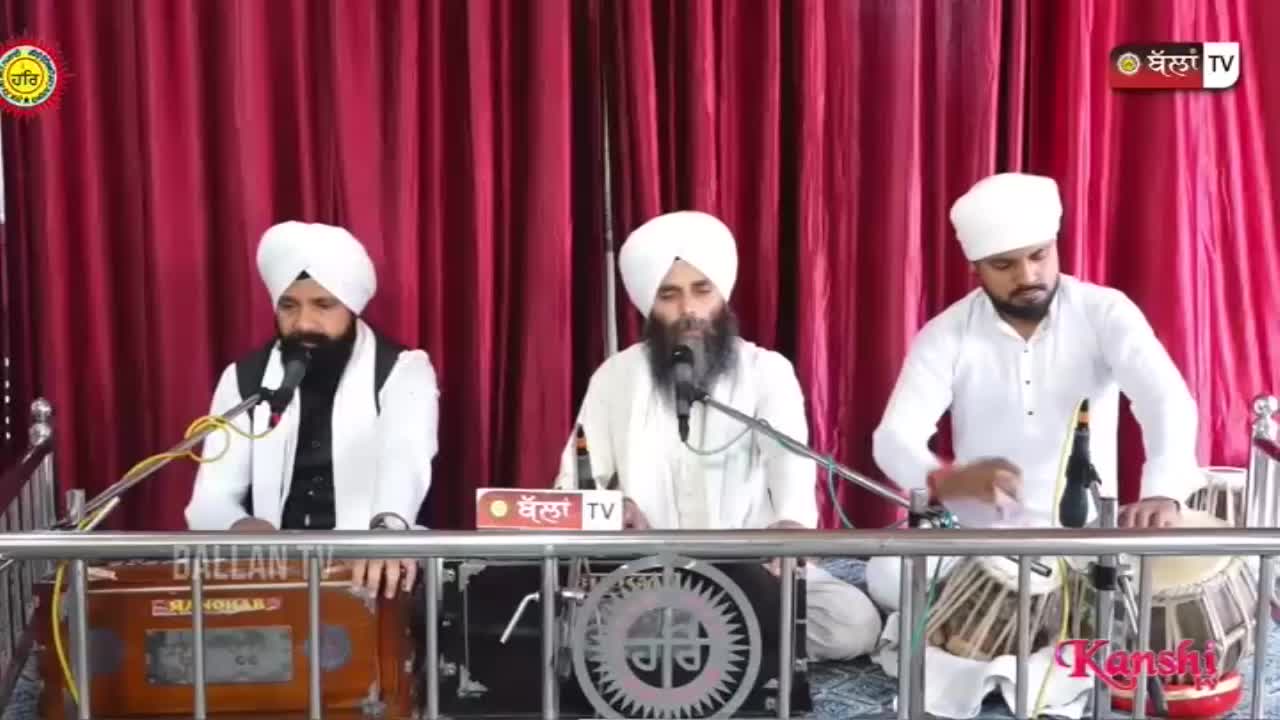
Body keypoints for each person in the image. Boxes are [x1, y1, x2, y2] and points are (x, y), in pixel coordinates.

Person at [866, 172, 1204, 611]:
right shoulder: (947, 332)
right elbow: (893, 438)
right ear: (976, 268)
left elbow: (1165, 398)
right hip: (983, 538)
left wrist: (1163, 488)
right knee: (889, 572)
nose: (1028, 275)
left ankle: (990, 619)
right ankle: (1000, 615)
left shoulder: (1104, 311)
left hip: (1087, 534)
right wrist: (946, 481)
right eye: (1004, 265)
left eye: (1038, 256)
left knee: (1182, 573)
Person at [553, 210, 882, 661]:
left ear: (722, 295)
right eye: (669, 295)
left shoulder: (767, 371)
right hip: (648, 573)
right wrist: (612, 509)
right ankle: (723, 642)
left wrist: (790, 528)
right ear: (649, 305)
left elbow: (791, 463)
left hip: (752, 571)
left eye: (701, 290)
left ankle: (694, 641)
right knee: (564, 625)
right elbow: (572, 485)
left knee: (852, 624)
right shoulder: (616, 377)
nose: (688, 309)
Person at [185, 221, 440, 598]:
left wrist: (385, 534)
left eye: (323, 305)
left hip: (372, 571)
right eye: (289, 306)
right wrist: (242, 528)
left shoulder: (403, 371)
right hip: (273, 574)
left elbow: (404, 462)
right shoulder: (246, 379)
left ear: (351, 306)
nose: (304, 322)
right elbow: (211, 499)